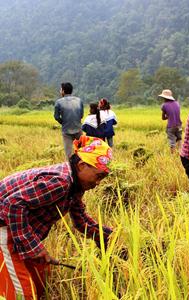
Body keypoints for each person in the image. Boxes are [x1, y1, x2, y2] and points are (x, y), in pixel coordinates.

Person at [0, 135, 113, 300]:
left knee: (41, 276)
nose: (98, 183)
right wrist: (34, 247)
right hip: (4, 224)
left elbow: (81, 220)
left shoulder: (76, 185)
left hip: (17, 224)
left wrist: (107, 235)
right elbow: (12, 205)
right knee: (22, 293)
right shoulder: (61, 182)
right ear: (82, 165)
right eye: (99, 176)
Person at [54, 82, 84, 159]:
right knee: (82, 152)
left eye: (60, 89)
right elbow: (81, 115)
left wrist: (63, 122)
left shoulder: (58, 102)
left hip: (66, 130)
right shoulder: (79, 100)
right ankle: (82, 168)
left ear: (63, 91)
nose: (60, 91)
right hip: (78, 129)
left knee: (68, 154)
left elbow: (56, 117)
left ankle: (71, 169)